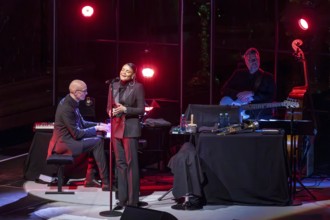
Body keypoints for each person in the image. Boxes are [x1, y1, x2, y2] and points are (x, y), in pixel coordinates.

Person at [47, 79, 110, 191]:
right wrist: (96, 128)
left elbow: (83, 124)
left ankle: (90, 177)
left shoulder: (72, 102)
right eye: (84, 91)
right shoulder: (67, 107)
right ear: (76, 92)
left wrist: (100, 124)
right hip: (65, 144)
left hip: (69, 140)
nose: (87, 93)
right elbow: (77, 134)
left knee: (98, 138)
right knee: (98, 142)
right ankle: (105, 182)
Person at [107, 62, 145, 210]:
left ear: (133, 75)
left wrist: (126, 109)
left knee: (131, 164)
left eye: (128, 71)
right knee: (120, 164)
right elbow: (108, 106)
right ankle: (121, 199)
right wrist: (110, 112)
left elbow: (141, 109)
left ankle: (133, 201)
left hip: (130, 128)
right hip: (116, 128)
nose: (124, 72)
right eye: (123, 69)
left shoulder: (138, 87)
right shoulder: (113, 85)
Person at [220, 47, 276, 120]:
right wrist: (238, 94)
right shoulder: (238, 73)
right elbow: (224, 90)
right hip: (239, 116)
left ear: (258, 59)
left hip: (260, 116)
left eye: (254, 59)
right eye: (249, 60)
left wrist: (252, 94)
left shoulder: (268, 77)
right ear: (246, 62)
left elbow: (271, 97)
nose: (253, 62)